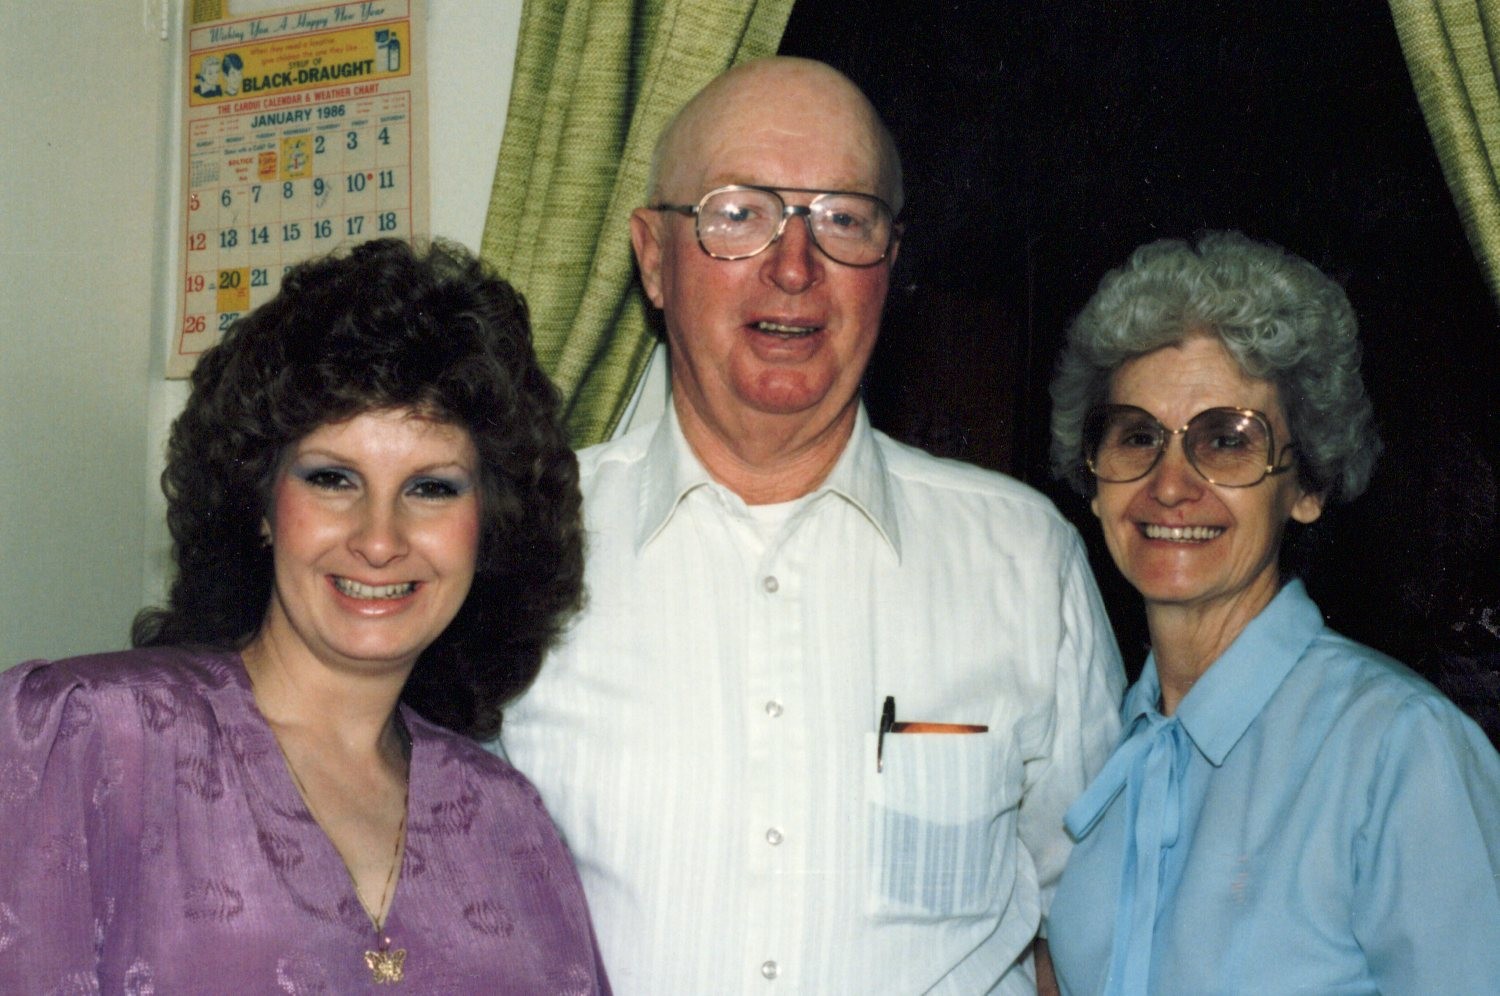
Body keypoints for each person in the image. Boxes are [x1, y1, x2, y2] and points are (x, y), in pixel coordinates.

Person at [499, 56, 1125, 993]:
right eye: (738, 214)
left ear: (891, 263)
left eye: (843, 219)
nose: (794, 267)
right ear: (653, 258)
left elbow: (1096, 928)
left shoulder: (1025, 563)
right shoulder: (522, 546)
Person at [0, 239, 611, 993]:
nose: (379, 540)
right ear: (260, 503)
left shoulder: (507, 822)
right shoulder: (85, 735)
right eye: (332, 479)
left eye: (432, 488)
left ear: (489, 526)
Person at [1044, 231, 1500, 994]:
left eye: (1227, 441)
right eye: (1137, 436)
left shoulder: (1400, 752)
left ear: (1307, 486)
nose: (1169, 484)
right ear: (1094, 480)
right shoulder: (1102, 747)